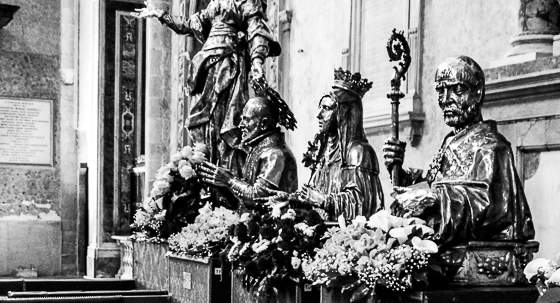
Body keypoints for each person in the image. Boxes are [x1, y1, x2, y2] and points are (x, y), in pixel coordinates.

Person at [138, 0, 280, 171]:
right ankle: (206, 166)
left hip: (228, 63)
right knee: (202, 120)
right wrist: (160, 15)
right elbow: (191, 24)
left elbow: (256, 29)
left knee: (225, 118)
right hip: (207, 64)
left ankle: (226, 171)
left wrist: (257, 62)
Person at [389, 55, 535, 250]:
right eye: (441, 91)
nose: (446, 100)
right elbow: (434, 186)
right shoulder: (450, 141)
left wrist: (436, 198)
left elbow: (492, 207)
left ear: (478, 92)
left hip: (481, 258)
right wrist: (399, 172)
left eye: (457, 90)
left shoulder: (492, 147)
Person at [297, 70, 385, 220]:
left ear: (343, 113)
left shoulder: (358, 152)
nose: (319, 114)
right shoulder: (325, 151)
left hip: (348, 237)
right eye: (320, 108)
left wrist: (324, 201)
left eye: (326, 109)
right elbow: (312, 194)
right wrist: (291, 198)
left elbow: (360, 202)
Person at [198, 95, 297, 210]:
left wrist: (229, 180)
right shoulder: (259, 150)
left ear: (263, 124)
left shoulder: (274, 154)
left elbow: (258, 198)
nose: (241, 125)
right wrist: (221, 185)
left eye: (246, 119)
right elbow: (244, 201)